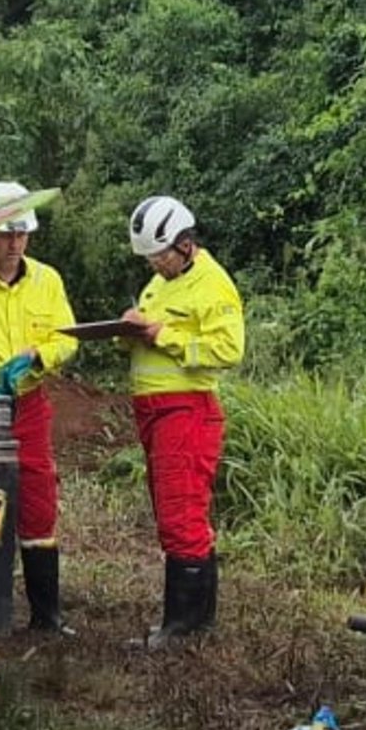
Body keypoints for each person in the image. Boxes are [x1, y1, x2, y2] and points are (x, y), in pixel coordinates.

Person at [117, 195, 248, 643]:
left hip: (186, 409)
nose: (154, 264)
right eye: (149, 257)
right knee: (168, 512)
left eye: (160, 255)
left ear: (186, 243)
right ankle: (189, 623)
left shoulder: (213, 285)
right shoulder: (160, 284)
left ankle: (184, 627)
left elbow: (228, 350)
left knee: (181, 514)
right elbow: (152, 339)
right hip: (152, 410)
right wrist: (130, 331)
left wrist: (163, 335)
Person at [0, 178, 79, 632]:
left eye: (22, 234)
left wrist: (37, 356)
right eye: (7, 234)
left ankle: (47, 617)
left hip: (28, 405)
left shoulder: (46, 280)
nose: (15, 244)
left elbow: (67, 338)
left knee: (39, 500)